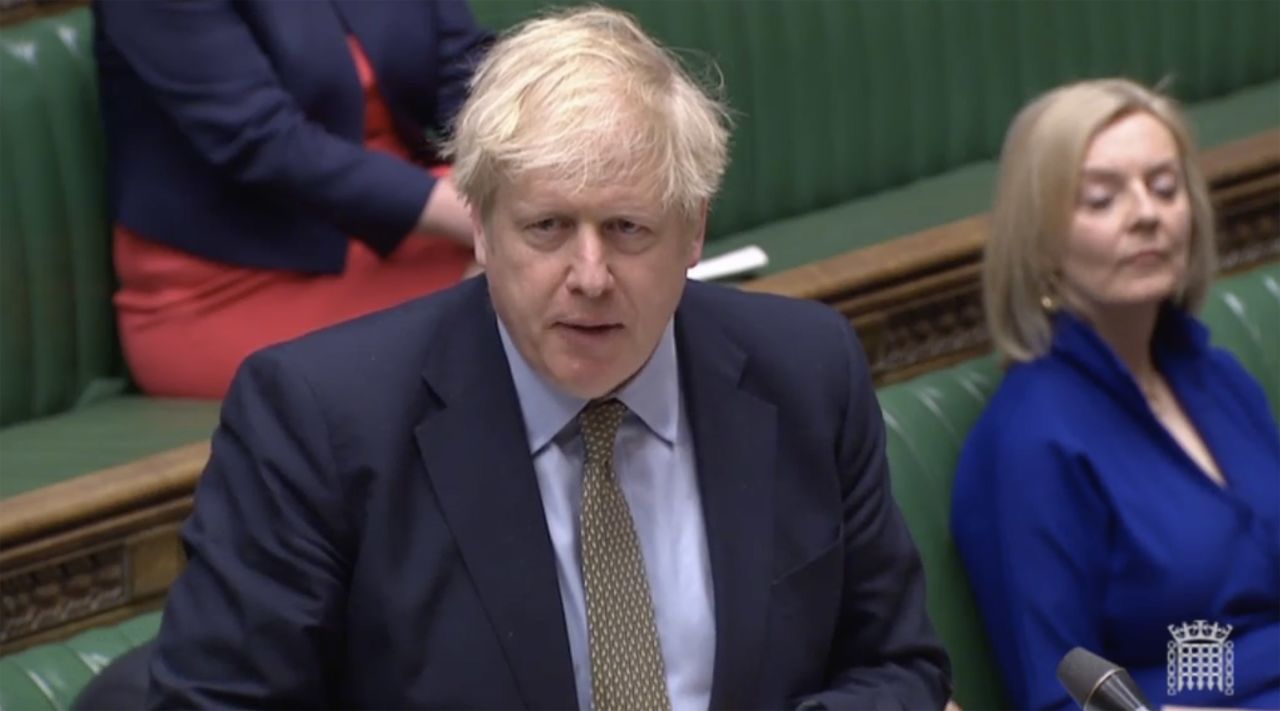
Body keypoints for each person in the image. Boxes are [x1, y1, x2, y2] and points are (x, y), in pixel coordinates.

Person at [147, 7, 951, 709]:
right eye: (548, 229)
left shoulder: (806, 371)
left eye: (629, 229)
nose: (591, 278)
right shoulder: (319, 421)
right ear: (484, 228)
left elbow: (896, 663)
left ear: (695, 230)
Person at [952, 79, 1280, 710]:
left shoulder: (1219, 378)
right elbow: (1065, 693)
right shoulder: (1031, 442)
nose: (1146, 214)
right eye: (1101, 199)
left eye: (1165, 187)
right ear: (1041, 243)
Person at [93, 0, 492, 398]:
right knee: (511, 302)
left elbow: (466, 75)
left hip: (413, 221)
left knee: (529, 276)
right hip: (240, 280)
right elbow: (262, 141)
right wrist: (480, 212)